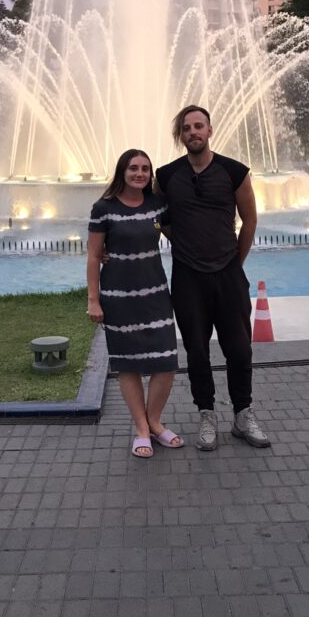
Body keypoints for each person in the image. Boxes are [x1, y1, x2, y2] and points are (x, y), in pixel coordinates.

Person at [156, 105, 270, 451]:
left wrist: (236, 260)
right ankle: (207, 413)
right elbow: (161, 220)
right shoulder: (166, 175)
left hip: (228, 276)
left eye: (199, 126)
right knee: (197, 352)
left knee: (239, 349)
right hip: (188, 278)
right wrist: (184, 244)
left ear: (209, 131)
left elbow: (249, 220)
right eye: (187, 128)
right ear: (181, 135)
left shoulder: (234, 172)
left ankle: (242, 413)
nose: (193, 132)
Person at [87, 149, 183, 458]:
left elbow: (177, 233)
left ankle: (154, 421)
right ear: (122, 172)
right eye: (133, 168)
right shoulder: (103, 208)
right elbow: (93, 255)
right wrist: (93, 300)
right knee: (127, 365)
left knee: (166, 360)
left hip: (154, 293)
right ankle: (142, 429)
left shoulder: (157, 205)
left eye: (145, 169)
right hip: (118, 297)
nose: (139, 173)